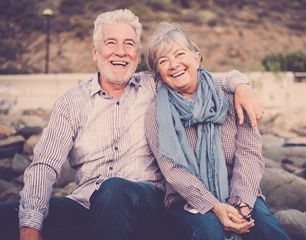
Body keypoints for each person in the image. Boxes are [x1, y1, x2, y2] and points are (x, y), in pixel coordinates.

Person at [0, 9, 263, 240]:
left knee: (115, 189)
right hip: (86, 204)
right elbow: (44, 165)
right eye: (110, 43)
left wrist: (241, 83)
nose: (120, 51)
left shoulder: (154, 85)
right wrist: (30, 225)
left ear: (137, 56)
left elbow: (194, 74)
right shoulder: (71, 102)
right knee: (8, 217)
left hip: (147, 204)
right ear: (95, 51)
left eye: (129, 44)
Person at [144, 22, 290, 240]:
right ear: (159, 73)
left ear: (197, 57)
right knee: (210, 231)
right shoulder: (157, 113)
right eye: (163, 61)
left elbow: (250, 154)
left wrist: (241, 202)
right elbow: (172, 170)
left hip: (240, 191)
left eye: (179, 54)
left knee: (268, 230)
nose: (173, 64)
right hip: (187, 200)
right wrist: (215, 206)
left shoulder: (233, 97)